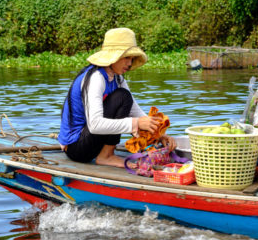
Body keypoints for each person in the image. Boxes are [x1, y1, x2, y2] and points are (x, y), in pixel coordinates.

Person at [58, 27, 176, 168]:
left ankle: (106, 153)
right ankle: (106, 156)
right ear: (113, 57)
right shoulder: (96, 78)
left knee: (124, 97)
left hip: (90, 140)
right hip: (76, 148)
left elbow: (134, 109)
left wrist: (156, 132)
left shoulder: (117, 78)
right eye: (126, 58)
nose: (130, 63)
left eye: (132, 59)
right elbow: (95, 125)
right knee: (122, 96)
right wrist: (136, 124)